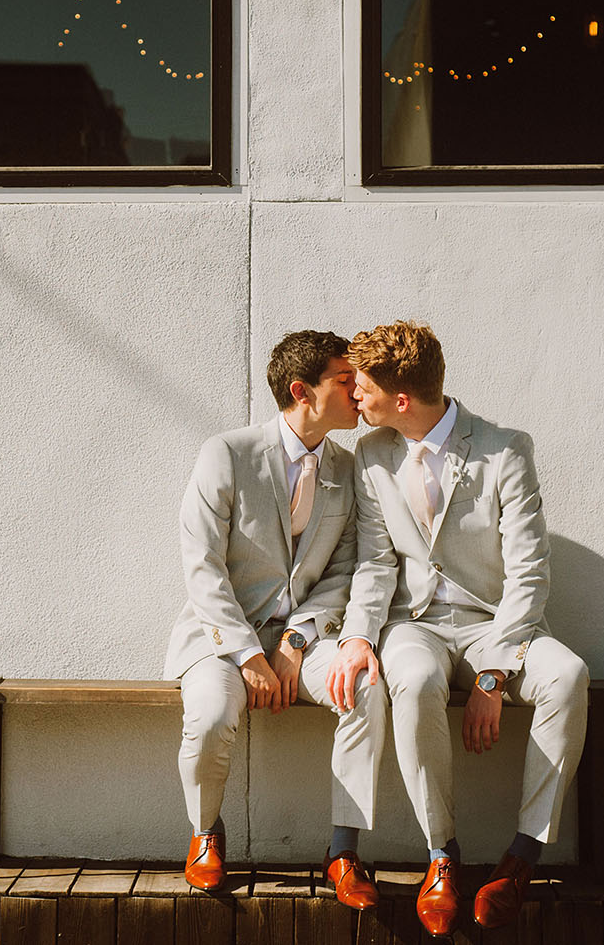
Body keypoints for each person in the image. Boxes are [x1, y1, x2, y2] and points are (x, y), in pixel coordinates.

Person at [327, 320, 589, 937]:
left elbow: (529, 572)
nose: (352, 396)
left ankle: (521, 858)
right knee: (412, 682)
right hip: (413, 624)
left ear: (402, 400)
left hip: (498, 623)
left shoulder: (505, 449)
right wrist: (360, 636)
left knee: (569, 675)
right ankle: (441, 856)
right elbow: (375, 559)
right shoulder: (373, 453)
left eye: (361, 387)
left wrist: (494, 674)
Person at [163, 330, 386, 909]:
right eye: (344, 380)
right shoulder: (227, 454)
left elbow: (345, 567)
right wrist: (248, 654)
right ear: (301, 391)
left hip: (304, 639)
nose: (358, 390)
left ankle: (344, 850)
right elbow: (202, 565)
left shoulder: (349, 464)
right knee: (212, 715)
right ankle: (206, 833)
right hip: (220, 639)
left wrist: (294, 639)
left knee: (365, 686)